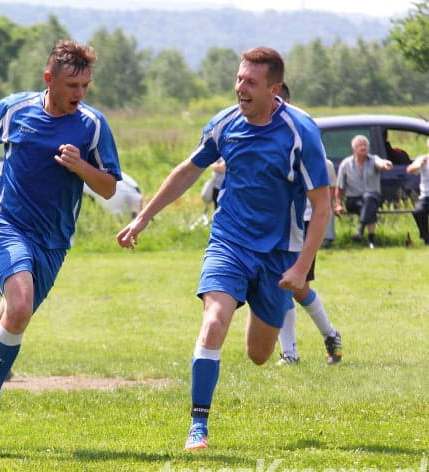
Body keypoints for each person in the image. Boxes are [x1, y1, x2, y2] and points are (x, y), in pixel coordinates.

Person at [116, 47, 330, 451]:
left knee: (258, 354)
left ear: (274, 88)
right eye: (238, 79)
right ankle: (198, 426)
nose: (240, 89)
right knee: (214, 320)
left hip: (278, 254)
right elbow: (188, 170)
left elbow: (321, 207)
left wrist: (301, 268)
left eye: (250, 83)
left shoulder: (300, 132)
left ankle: (269, 312)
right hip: (229, 242)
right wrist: (143, 217)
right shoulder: (225, 124)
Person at [0, 39, 122, 449]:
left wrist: (82, 166)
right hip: (5, 220)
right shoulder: (15, 109)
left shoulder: (92, 125)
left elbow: (110, 187)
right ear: (49, 79)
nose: (79, 95)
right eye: (72, 86)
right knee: (21, 305)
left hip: (53, 239)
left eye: (86, 86)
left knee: (10, 317)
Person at [273, 83, 342, 366]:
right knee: (286, 287)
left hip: (303, 225)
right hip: (277, 225)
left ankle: (313, 342)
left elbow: (322, 200)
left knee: (293, 287)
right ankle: (296, 349)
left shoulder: (307, 143)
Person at [333, 135, 393, 249]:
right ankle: (371, 241)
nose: (363, 147)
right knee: (369, 208)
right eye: (360, 145)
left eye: (365, 145)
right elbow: (339, 187)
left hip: (373, 197)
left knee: (369, 199)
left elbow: (381, 162)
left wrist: (386, 164)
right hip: (354, 200)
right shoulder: (345, 164)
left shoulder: (374, 159)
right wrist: (339, 204)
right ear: (354, 148)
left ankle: (360, 231)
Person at [406, 137, 429, 245]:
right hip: (426, 197)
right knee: (418, 211)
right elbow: (410, 169)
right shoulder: (424, 159)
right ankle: (426, 238)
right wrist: (420, 166)